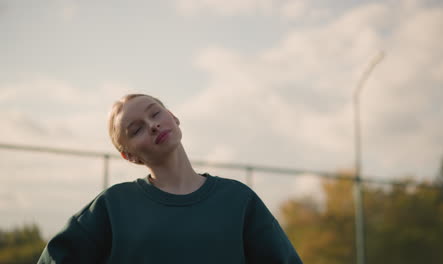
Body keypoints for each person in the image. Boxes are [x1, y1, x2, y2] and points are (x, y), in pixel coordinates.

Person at [38, 94, 303, 264]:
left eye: (155, 114)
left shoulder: (238, 200)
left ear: (173, 117)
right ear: (129, 156)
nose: (152, 125)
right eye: (137, 128)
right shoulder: (112, 207)